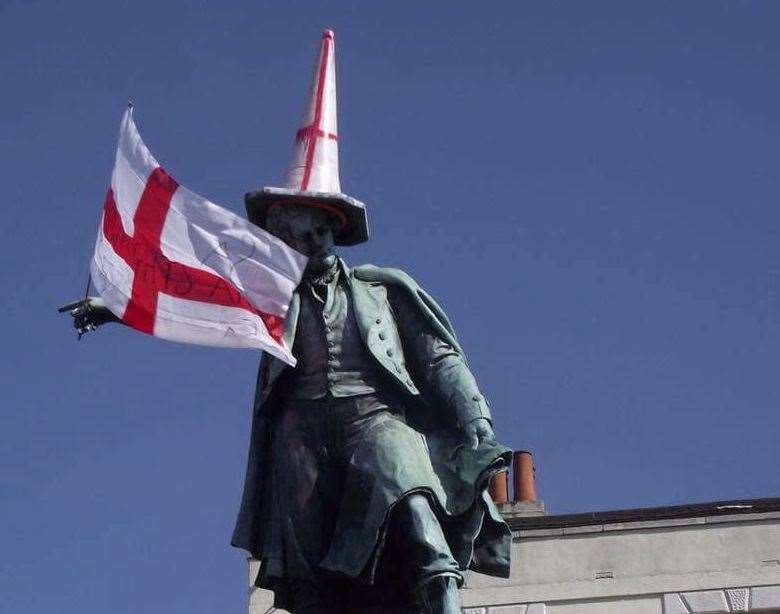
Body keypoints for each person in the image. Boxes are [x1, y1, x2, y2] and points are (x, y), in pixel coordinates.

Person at [66, 29, 512, 614]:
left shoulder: (382, 289)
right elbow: (190, 294)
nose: (315, 239)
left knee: (416, 513)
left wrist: (475, 420)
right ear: (286, 232)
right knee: (307, 582)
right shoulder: (267, 292)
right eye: (303, 228)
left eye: (325, 227)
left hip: (374, 418)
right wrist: (117, 304)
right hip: (300, 430)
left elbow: (438, 358)